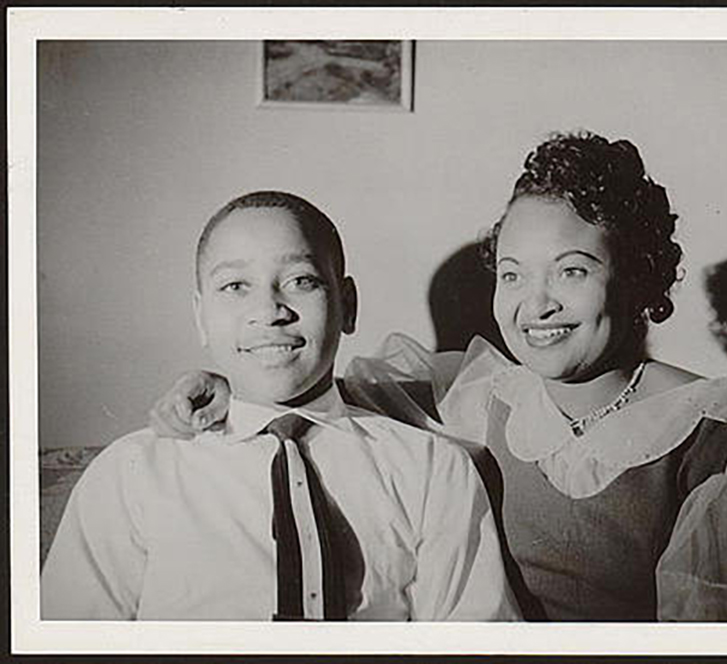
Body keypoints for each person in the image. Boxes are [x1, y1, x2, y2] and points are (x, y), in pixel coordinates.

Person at [151, 134, 727, 622]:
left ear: (638, 278)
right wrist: (218, 383)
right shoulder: (481, 394)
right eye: (513, 274)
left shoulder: (715, 433)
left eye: (572, 271)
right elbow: (318, 391)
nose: (536, 303)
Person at [41, 191, 519, 621]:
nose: (270, 311)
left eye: (300, 281)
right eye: (235, 287)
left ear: (347, 304)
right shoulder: (131, 474)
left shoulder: (433, 470)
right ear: (200, 316)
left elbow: (472, 636)